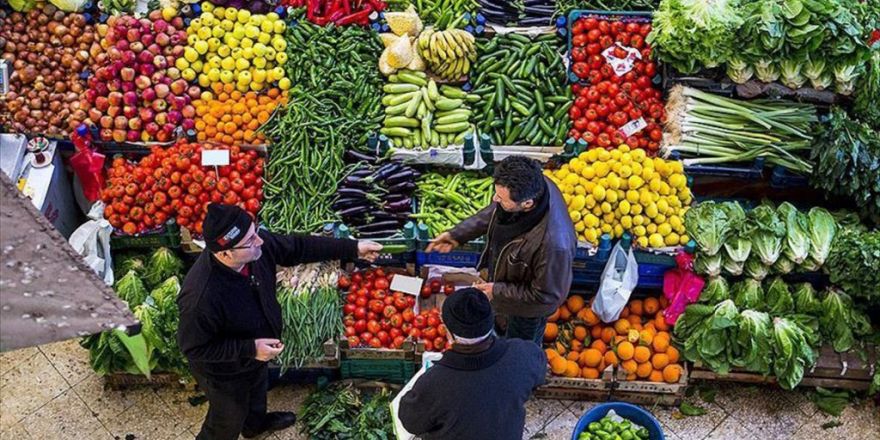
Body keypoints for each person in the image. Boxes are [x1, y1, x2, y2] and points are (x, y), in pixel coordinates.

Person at [177, 203, 383, 440]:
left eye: (255, 233)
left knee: (257, 392)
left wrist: (353, 247)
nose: (260, 241)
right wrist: (250, 348)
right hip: (224, 372)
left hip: (256, 355)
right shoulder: (200, 297)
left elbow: (297, 247)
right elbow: (193, 348)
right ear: (225, 254)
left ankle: (255, 425)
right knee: (227, 418)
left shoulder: (254, 249)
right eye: (251, 240)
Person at [427, 156, 576, 344]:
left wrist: (496, 291)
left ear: (527, 204)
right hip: (508, 285)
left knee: (519, 346)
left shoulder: (554, 246)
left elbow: (546, 297)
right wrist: (458, 234)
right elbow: (497, 211)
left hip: (527, 311)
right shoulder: (534, 184)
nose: (494, 199)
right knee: (500, 329)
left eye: (501, 198)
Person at [398, 287, 547, 440]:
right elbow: (540, 375)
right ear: (491, 321)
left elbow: (410, 422)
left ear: (448, 331)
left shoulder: (435, 382)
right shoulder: (525, 354)